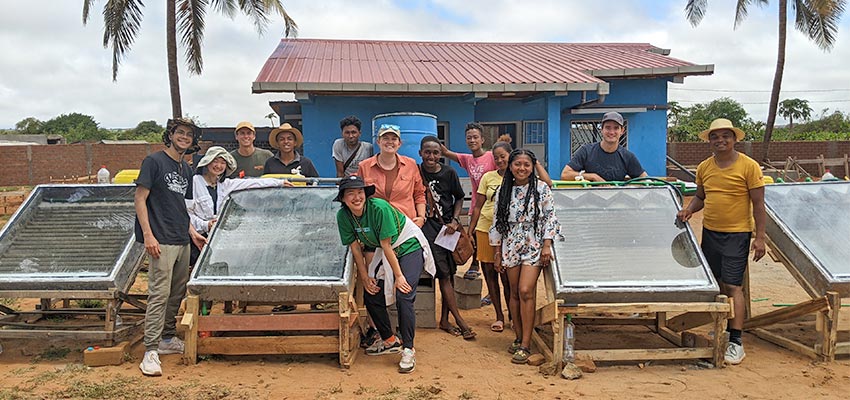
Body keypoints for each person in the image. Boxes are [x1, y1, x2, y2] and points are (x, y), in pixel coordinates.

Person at [677, 118, 766, 365]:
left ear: (734, 139)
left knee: (733, 286)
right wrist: (689, 210)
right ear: (710, 141)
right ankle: (721, 328)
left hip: (737, 234)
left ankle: (736, 341)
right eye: (715, 137)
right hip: (711, 232)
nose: (720, 140)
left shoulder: (749, 167)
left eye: (725, 136)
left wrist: (759, 237)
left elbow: (759, 204)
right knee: (715, 284)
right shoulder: (705, 167)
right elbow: (700, 196)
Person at [335, 175, 435, 374]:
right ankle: (390, 340)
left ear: (366, 194)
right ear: (343, 199)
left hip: (407, 245)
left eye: (360, 192)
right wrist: (365, 277)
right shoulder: (343, 216)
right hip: (385, 250)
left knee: (404, 295)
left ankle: (408, 348)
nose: (357, 197)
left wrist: (399, 277)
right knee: (371, 293)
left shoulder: (378, 208)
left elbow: (386, 245)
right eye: (351, 193)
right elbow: (355, 248)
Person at [135, 117, 207, 376]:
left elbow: (182, 207)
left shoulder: (186, 168)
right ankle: (150, 350)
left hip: (181, 239)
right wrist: (148, 235)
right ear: (171, 135)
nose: (184, 137)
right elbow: (140, 199)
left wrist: (192, 233)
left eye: (189, 135)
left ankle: (166, 339)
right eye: (180, 133)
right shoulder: (154, 162)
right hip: (160, 239)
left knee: (177, 293)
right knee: (158, 294)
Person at [490, 148, 560, 365]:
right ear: (510, 166)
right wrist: (497, 252)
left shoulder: (541, 189)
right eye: (517, 164)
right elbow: (497, 222)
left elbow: (550, 218)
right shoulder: (504, 190)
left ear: (532, 167)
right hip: (510, 243)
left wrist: (547, 245)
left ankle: (526, 344)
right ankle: (518, 336)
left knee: (525, 290)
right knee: (512, 292)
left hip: (534, 243)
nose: (522, 168)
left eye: (526, 165)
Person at [187, 146, 289, 265]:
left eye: (222, 162)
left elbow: (251, 183)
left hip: (217, 237)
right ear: (207, 162)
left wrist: (280, 182)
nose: (218, 166)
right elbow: (186, 213)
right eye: (215, 161)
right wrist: (205, 225)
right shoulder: (194, 182)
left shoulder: (225, 184)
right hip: (196, 238)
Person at [418, 136, 476, 340]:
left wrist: (454, 220)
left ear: (441, 154)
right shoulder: (416, 172)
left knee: (450, 273)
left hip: (447, 229)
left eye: (435, 152)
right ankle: (460, 320)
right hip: (427, 229)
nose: (431, 156)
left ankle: (445, 320)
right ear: (420, 153)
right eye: (427, 152)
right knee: (442, 273)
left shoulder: (449, 172)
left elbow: (459, 197)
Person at [441, 123, 497, 280]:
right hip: (476, 207)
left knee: (493, 246)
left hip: (492, 208)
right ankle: (474, 266)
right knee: (474, 238)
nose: (472, 140)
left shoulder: (491, 156)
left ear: (482, 139)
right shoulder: (467, 159)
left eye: (475, 137)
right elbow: (446, 153)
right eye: (469, 138)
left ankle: (482, 272)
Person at [357, 124, 426, 226]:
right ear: (378, 142)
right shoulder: (364, 166)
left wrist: (421, 217)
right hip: (376, 224)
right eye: (385, 138)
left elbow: (419, 194)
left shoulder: (411, 165)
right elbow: (359, 195)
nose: (390, 142)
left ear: (399, 143)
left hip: (406, 223)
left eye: (394, 139)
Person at [559, 111, 647, 182]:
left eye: (616, 128)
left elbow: (645, 180)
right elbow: (565, 175)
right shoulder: (586, 151)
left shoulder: (628, 157)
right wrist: (593, 177)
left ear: (622, 131)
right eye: (608, 128)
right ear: (601, 129)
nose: (611, 132)